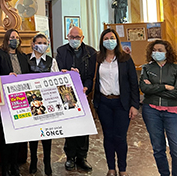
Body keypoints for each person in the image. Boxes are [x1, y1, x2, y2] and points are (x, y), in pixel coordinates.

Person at [93, 28, 139, 176]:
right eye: (106, 38)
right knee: (108, 136)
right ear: (102, 42)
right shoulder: (97, 58)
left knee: (120, 136)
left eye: (112, 38)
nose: (109, 41)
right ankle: (111, 168)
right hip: (104, 103)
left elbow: (133, 83)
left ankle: (123, 169)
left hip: (122, 103)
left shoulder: (125, 58)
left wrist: (134, 105)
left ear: (117, 40)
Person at [56, 26, 96, 171]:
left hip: (84, 93)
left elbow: (91, 75)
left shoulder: (91, 52)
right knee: (71, 126)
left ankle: (82, 157)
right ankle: (70, 157)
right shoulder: (61, 51)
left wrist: (86, 87)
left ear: (82, 38)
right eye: (72, 37)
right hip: (67, 94)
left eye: (77, 37)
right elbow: (59, 71)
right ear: (67, 37)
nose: (74, 40)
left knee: (83, 127)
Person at [0, 29, 30, 176]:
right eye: (12, 37)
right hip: (6, 101)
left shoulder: (23, 56)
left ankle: (15, 165)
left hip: (21, 101)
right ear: (7, 40)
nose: (15, 40)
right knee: (6, 136)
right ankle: (5, 167)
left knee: (18, 136)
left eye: (17, 37)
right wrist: (6, 77)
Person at [140, 39, 177, 176]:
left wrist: (153, 88)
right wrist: (165, 87)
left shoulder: (175, 68)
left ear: (167, 52)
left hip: (173, 112)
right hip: (151, 111)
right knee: (158, 148)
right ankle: (164, 174)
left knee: (175, 149)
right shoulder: (147, 68)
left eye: (160, 50)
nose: (157, 53)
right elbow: (144, 88)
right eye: (154, 50)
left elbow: (176, 93)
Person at [27, 33, 59, 176]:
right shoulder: (26, 59)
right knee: (33, 135)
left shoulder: (52, 61)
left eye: (44, 42)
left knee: (47, 135)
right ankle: (33, 160)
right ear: (33, 44)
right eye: (39, 42)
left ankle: (47, 162)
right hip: (30, 101)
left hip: (47, 101)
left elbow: (56, 78)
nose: (42, 45)